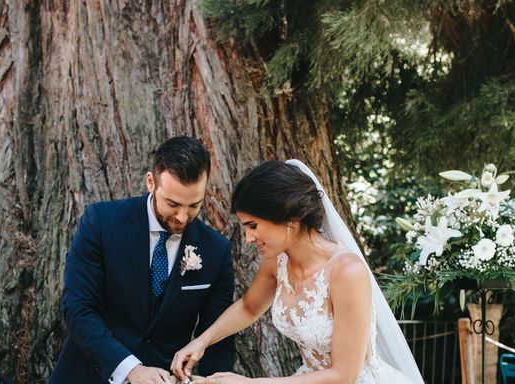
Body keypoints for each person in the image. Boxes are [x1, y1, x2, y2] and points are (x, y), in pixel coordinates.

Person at [171, 159, 424, 384]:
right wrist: (201, 342)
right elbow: (249, 307)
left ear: (288, 217)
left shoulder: (347, 272)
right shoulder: (277, 261)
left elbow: (344, 375)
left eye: (253, 226)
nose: (248, 238)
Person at [49, 136, 235, 384]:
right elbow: (78, 309)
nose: (182, 217)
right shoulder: (101, 223)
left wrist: (213, 381)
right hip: (88, 375)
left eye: (194, 205)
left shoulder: (216, 250)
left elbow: (217, 337)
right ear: (151, 182)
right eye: (173, 203)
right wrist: (132, 369)